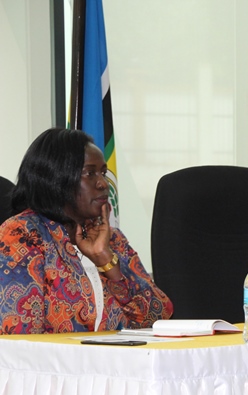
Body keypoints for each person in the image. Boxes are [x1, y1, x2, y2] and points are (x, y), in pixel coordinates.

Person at [0, 127, 173, 334]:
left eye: (103, 172)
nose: (103, 184)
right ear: (57, 178)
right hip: (56, 365)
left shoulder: (111, 238)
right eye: (90, 173)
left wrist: (106, 262)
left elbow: (159, 316)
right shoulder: (22, 235)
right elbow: (19, 335)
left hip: (120, 362)